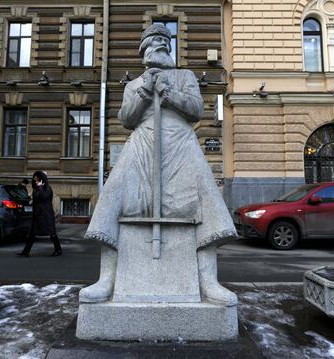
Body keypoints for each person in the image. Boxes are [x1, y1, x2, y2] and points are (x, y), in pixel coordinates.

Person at [79, 24, 237, 305]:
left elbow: (197, 111)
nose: (162, 44)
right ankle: (107, 279)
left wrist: (168, 94)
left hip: (180, 145)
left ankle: (208, 282)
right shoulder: (133, 84)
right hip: (142, 145)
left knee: (206, 198)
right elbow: (127, 119)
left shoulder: (185, 76)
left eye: (166, 40)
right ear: (144, 49)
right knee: (113, 196)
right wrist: (144, 91)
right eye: (155, 41)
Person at [17, 171, 62, 256]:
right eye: (35, 180)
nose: (36, 182)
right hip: (37, 215)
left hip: (46, 214)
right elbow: (36, 200)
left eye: (37, 180)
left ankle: (58, 250)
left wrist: (40, 187)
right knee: (32, 234)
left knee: (52, 233)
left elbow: (44, 197)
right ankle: (26, 251)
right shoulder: (36, 189)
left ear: (42, 180)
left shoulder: (47, 188)